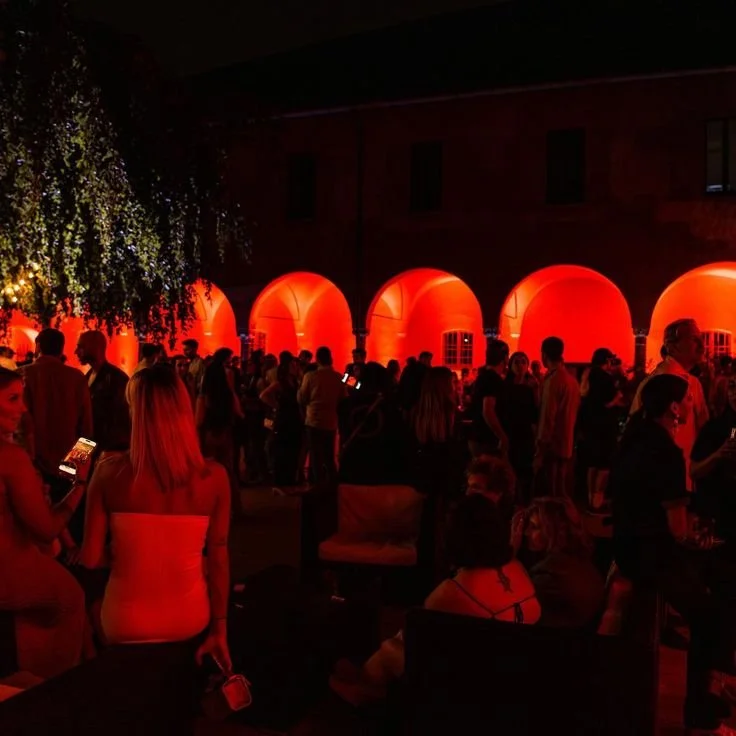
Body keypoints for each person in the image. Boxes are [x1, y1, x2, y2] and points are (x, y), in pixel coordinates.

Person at [80, 364, 231, 670]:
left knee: (85, 609)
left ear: (135, 413)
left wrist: (131, 550)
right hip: (190, 617)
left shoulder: (108, 473)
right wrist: (220, 629)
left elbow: (90, 558)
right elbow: (218, 560)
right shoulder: (214, 478)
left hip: (124, 621)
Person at [611, 374, 736, 734]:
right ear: (674, 407)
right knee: (712, 611)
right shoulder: (665, 451)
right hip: (651, 554)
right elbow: (677, 528)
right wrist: (697, 540)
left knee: (719, 583)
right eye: (688, 399)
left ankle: (715, 685)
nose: (694, 402)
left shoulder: (634, 439)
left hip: (628, 544)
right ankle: (704, 706)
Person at [329, 494, 540, 706]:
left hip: (473, 680)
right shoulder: (517, 568)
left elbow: (416, 637)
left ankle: (365, 686)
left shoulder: (454, 590)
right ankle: (367, 679)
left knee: (392, 647)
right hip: (513, 670)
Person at [0, 368, 90, 678]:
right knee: (71, 599)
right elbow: (46, 529)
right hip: (10, 573)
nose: (23, 408)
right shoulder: (10, 458)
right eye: (13, 399)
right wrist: (80, 486)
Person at [631, 319, 709, 490]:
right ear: (672, 346)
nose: (702, 345)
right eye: (694, 339)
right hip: (661, 478)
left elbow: (704, 429)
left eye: (701, 338)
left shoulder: (693, 382)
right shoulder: (658, 383)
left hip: (686, 473)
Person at [513, 497, 604, 628]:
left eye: (534, 527)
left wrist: (511, 552)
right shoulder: (580, 560)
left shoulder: (548, 576)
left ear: (553, 531)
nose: (526, 532)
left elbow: (513, 607)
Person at [196, 348, 244, 518]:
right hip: (224, 426)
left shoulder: (206, 388)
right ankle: (233, 506)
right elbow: (234, 403)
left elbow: (201, 410)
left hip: (210, 428)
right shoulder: (227, 382)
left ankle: (212, 506)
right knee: (227, 468)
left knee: (209, 468)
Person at [691, 375, 736, 546]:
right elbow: (694, 471)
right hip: (722, 519)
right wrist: (717, 455)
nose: (735, 393)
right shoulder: (714, 428)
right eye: (732, 386)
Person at [534, 337, 580, 497]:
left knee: (552, 489)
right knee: (562, 485)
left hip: (552, 442)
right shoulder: (572, 380)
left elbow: (548, 415)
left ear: (544, 355)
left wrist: (541, 444)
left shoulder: (553, 380)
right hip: (566, 439)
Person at [578, 348, 622, 510]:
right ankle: (598, 499)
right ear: (607, 360)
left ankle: (590, 497)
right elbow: (606, 403)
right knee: (604, 464)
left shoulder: (587, 375)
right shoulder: (605, 378)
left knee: (592, 463)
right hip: (604, 426)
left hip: (590, 425)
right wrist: (617, 398)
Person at [75, 330, 131, 453]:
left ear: (94, 347)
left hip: (106, 450)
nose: (76, 352)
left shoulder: (116, 379)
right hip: (90, 446)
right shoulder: (88, 376)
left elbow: (118, 422)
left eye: (80, 347)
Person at [298, 346, 346, 487]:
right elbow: (346, 396)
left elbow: (302, 398)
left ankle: (317, 487)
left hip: (313, 421)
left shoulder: (310, 376)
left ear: (317, 359)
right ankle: (333, 486)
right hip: (331, 422)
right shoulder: (339, 377)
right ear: (331, 358)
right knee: (329, 456)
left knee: (315, 457)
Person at [499, 351, 538, 503]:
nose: (520, 365)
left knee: (526, 470)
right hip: (510, 432)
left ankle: (525, 502)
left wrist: (536, 390)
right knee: (510, 470)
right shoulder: (505, 387)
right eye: (516, 362)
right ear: (511, 365)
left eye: (523, 362)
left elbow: (535, 412)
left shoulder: (530, 387)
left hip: (526, 433)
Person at [469, 340, 510, 457]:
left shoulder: (483, 376)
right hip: (487, 439)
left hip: (478, 437)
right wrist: (502, 436)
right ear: (505, 358)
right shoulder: (493, 379)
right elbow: (488, 411)